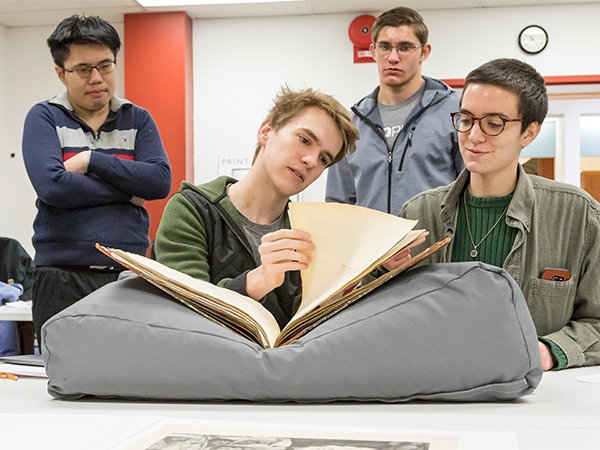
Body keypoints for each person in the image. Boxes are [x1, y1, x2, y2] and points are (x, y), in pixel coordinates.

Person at [396, 58, 600, 371]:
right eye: (466, 119)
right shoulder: (418, 213)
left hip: (533, 398)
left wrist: (547, 350)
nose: (473, 136)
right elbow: (388, 318)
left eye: (493, 124)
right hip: (434, 388)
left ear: (529, 133)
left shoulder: (577, 215)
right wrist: (378, 274)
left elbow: (596, 323)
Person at [154, 86, 359, 328]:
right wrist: (258, 280)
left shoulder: (308, 235)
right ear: (266, 131)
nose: (311, 161)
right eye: (304, 140)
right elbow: (186, 314)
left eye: (324, 159)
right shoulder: (192, 210)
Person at [22, 15, 172, 343]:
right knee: (61, 377)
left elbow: (160, 182)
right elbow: (53, 186)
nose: (97, 78)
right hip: (60, 277)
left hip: (127, 274)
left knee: (129, 374)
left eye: (105, 65)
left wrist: (93, 161)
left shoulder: (138, 119)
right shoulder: (43, 117)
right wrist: (129, 191)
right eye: (83, 69)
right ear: (60, 72)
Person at [326, 6, 463, 215]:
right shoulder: (352, 122)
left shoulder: (455, 112)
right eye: (385, 47)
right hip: (371, 247)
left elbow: (473, 190)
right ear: (373, 51)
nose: (393, 57)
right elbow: (338, 204)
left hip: (435, 245)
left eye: (405, 47)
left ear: (424, 52)